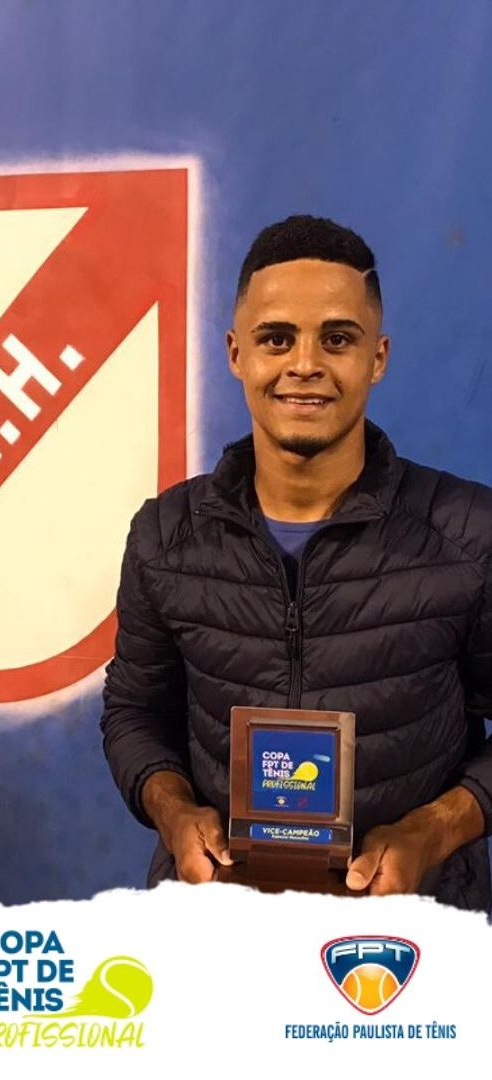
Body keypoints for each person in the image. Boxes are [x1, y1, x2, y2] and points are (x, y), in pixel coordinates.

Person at [101, 215, 492, 911]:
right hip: (218, 921)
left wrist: (431, 832)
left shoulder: (469, 533)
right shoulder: (165, 536)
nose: (304, 364)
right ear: (236, 353)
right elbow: (134, 713)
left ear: (377, 358)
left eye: (337, 339)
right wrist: (174, 812)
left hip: (411, 931)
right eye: (276, 338)